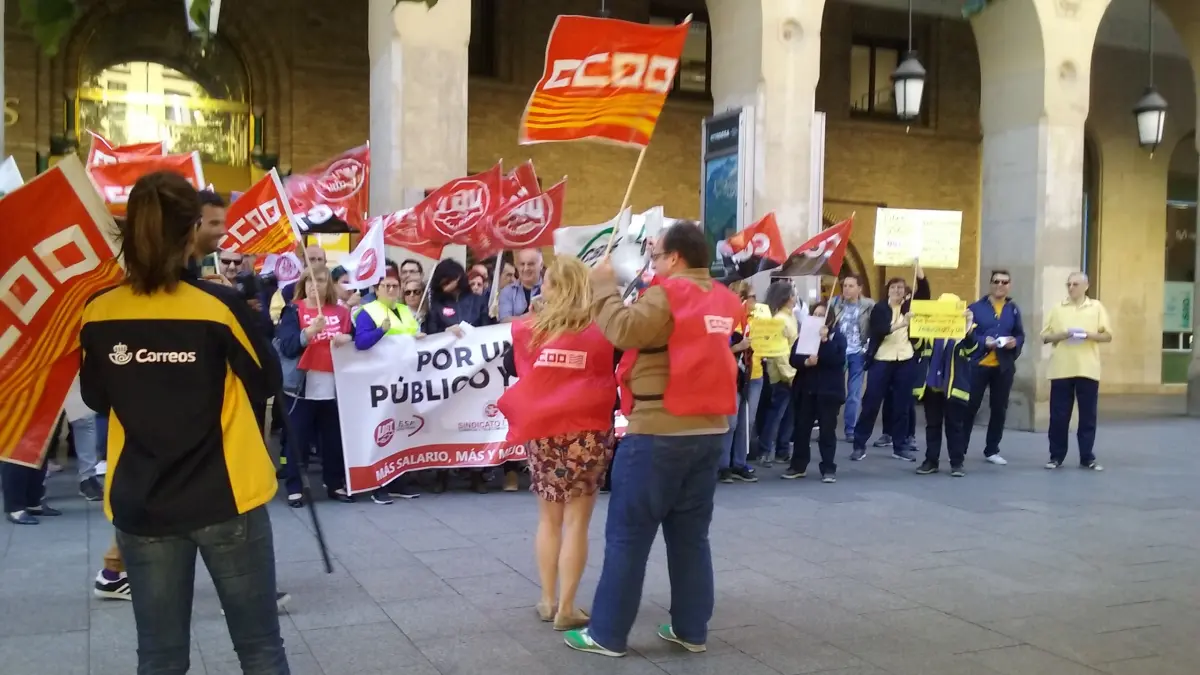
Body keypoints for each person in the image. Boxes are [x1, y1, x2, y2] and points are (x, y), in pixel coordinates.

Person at [78, 171, 289, 673]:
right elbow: (267, 381)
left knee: (160, 656)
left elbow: (96, 397)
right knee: (260, 650)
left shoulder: (99, 311)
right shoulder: (219, 306)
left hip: (142, 499)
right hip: (227, 495)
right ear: (192, 230)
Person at [564, 221, 743, 658]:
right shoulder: (724, 298)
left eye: (657, 255)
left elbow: (624, 330)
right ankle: (691, 629)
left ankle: (606, 634)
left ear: (675, 258)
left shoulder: (668, 294)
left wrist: (604, 288)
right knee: (691, 538)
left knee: (628, 535)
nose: (653, 262)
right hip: (709, 431)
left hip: (659, 430)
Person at [498, 257, 617, 631]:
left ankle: (548, 600)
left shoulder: (532, 329)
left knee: (549, 519)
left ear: (553, 288)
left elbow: (511, 367)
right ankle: (567, 606)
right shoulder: (602, 328)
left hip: (545, 431)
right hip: (588, 432)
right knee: (577, 522)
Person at [276, 265, 355, 507]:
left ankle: (334, 483)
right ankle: (295, 488)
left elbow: (355, 339)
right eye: (309, 280)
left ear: (327, 285)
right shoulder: (293, 310)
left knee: (333, 440)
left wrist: (349, 338)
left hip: (333, 388)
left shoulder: (341, 312)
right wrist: (309, 332)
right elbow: (287, 346)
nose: (314, 285)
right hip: (301, 387)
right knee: (297, 440)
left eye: (320, 280)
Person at [354, 269, 423, 503]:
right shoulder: (368, 312)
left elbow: (413, 339)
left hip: (402, 383)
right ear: (376, 289)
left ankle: (396, 481)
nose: (392, 290)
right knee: (379, 433)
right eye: (386, 286)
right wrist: (380, 331)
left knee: (398, 433)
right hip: (379, 384)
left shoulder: (405, 311)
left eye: (395, 286)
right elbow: (361, 342)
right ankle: (377, 484)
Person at [424, 259, 491, 493]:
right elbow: (430, 334)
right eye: (444, 282)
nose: (449, 285)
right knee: (445, 421)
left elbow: (487, 328)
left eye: (451, 279)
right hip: (447, 372)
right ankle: (441, 474)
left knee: (474, 420)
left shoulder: (477, 301)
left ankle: (476, 474)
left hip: (474, 370)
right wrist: (445, 333)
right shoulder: (436, 306)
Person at [851, 262, 929, 462]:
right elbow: (880, 329)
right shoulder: (880, 308)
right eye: (893, 288)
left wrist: (918, 268)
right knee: (871, 403)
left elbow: (925, 292)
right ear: (888, 291)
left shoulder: (909, 307)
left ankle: (900, 446)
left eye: (900, 288)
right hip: (882, 359)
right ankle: (859, 444)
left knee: (902, 404)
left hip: (905, 359)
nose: (897, 291)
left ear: (905, 292)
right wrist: (902, 323)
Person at [1041, 272, 1110, 471]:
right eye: (1069, 284)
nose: (1071, 288)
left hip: (1088, 368)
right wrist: (1062, 334)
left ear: (1086, 286)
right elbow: (1045, 336)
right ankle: (1056, 456)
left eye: (1075, 284)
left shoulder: (1096, 307)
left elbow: (1107, 335)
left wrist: (1088, 335)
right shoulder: (1058, 308)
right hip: (1061, 368)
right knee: (1059, 416)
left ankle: (1087, 457)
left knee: (1088, 416)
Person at [913, 295, 978, 478]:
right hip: (932, 386)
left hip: (954, 386)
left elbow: (972, 350)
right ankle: (931, 461)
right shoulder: (930, 329)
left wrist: (967, 327)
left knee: (955, 426)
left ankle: (956, 463)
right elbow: (918, 346)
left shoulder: (965, 329)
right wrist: (912, 324)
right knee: (932, 425)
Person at [782, 302, 846, 482]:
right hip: (806, 388)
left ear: (829, 319)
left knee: (827, 430)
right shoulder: (805, 335)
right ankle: (798, 465)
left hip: (828, 391)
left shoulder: (837, 337)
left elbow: (838, 359)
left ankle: (828, 467)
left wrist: (825, 341)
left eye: (821, 315)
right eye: (815, 314)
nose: (817, 318)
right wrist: (806, 363)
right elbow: (794, 358)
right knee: (802, 428)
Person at [965, 269, 1024, 465]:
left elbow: (1020, 334)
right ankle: (959, 448)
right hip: (979, 364)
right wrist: (984, 342)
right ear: (990, 284)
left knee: (999, 408)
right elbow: (968, 334)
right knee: (970, 407)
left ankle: (992, 449)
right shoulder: (975, 308)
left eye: (1004, 282)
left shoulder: (1013, 309)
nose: (1000, 285)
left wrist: (1015, 343)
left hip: (1003, 365)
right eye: (996, 281)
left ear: (1009, 286)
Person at [717, 281, 760, 484]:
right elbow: (718, 349)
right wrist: (739, 347)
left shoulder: (755, 318)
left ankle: (739, 463)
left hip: (750, 374)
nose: (755, 301)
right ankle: (723, 465)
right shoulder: (728, 318)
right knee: (731, 423)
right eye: (752, 297)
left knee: (745, 422)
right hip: (730, 376)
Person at [757, 281, 799, 467]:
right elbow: (780, 352)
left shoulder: (789, 316)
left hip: (790, 370)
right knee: (777, 413)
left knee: (788, 414)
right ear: (788, 297)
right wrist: (789, 375)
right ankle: (765, 450)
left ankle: (782, 450)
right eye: (794, 294)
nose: (796, 297)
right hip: (783, 373)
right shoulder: (781, 320)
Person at [828, 275, 874, 442]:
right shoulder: (835, 303)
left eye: (851, 286)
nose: (846, 289)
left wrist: (867, 348)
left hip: (858, 352)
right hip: (838, 351)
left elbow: (874, 327)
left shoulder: (868, 305)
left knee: (854, 393)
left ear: (859, 288)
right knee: (833, 391)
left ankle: (850, 429)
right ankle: (828, 428)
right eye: (845, 285)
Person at [499, 249, 543, 322]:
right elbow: (504, 321)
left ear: (541, 265)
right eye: (522, 264)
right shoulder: (507, 292)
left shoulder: (551, 288)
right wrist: (531, 316)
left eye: (530, 264)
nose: (526, 268)